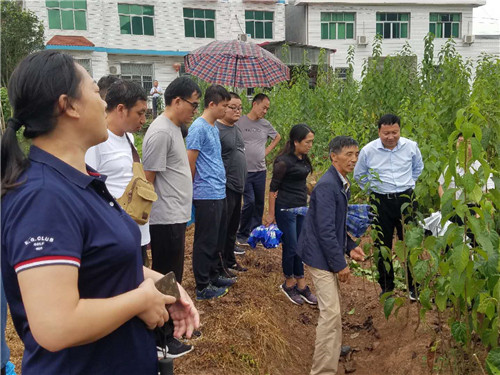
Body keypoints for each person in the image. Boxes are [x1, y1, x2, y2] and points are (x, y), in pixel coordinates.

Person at [1, 50, 199, 375]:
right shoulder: (43, 197)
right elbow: (55, 325)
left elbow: (104, 264)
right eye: (96, 92)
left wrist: (164, 284)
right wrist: (141, 300)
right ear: (69, 106)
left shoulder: (77, 182)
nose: (104, 104)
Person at [142, 77, 201, 358]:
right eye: (193, 104)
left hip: (175, 215)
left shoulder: (176, 128)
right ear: (176, 101)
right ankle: (162, 338)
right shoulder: (161, 132)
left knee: (173, 275)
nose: (195, 110)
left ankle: (175, 326)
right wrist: (144, 225)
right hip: (163, 219)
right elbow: (147, 181)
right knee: (165, 278)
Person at [297, 136, 365, 375]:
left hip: (325, 252)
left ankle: (332, 352)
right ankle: (323, 370)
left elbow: (335, 225)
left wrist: (350, 246)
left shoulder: (340, 182)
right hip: (319, 255)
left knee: (333, 309)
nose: (353, 159)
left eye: (356, 154)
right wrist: (340, 264)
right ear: (333, 156)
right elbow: (325, 230)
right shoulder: (328, 186)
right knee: (331, 313)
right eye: (348, 154)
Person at [353, 114, 424, 299]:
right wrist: (374, 191)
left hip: (406, 200)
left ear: (400, 130)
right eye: (386, 133)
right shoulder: (369, 150)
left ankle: (414, 287)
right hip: (380, 202)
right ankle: (387, 287)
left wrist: (407, 184)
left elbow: (418, 168)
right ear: (379, 132)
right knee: (381, 244)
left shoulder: (411, 147)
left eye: (394, 132)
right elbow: (359, 175)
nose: (390, 137)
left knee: (411, 243)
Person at [86, 79, 150, 267]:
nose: (143, 120)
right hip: (114, 236)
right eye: (140, 113)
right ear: (121, 109)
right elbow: (90, 192)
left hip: (137, 230)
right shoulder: (96, 142)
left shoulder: (129, 138)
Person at [186, 85, 236, 300]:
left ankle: (214, 274)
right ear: (212, 104)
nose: (226, 110)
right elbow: (191, 161)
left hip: (218, 190)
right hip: (205, 192)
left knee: (217, 237)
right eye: (224, 106)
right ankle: (202, 284)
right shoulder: (198, 128)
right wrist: (191, 191)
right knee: (205, 240)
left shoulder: (213, 127)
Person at [264, 124, 317, 306]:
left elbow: (304, 183)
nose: (310, 145)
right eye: (307, 142)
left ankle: (301, 283)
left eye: (311, 142)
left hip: (301, 207)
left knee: (300, 246)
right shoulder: (283, 162)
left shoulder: (303, 159)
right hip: (285, 208)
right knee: (291, 246)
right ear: (296, 142)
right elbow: (273, 189)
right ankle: (288, 282)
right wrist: (271, 214)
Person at [236, 93, 281, 245]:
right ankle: (242, 233)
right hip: (244, 170)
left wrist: (265, 152)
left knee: (259, 203)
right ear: (254, 104)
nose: (265, 111)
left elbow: (277, 137)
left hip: (260, 170)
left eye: (267, 109)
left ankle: (255, 232)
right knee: (249, 201)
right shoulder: (240, 121)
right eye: (263, 108)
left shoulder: (265, 124)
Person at [215, 92, 248, 273]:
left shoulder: (236, 128)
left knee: (233, 228)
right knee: (224, 228)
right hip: (225, 186)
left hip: (238, 186)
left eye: (240, 107)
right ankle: (220, 264)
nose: (237, 111)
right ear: (224, 107)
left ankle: (230, 260)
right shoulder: (217, 130)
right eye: (233, 107)